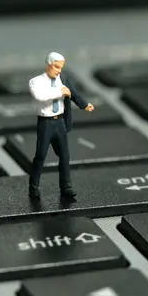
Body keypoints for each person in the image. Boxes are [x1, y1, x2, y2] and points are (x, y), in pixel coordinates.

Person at [27, 52, 94, 199]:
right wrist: (59, 91)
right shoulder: (36, 82)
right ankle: (33, 187)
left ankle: (66, 186)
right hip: (46, 124)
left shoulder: (63, 79)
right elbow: (40, 96)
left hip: (60, 123)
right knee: (41, 155)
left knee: (65, 156)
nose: (59, 70)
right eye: (56, 67)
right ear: (49, 64)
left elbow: (73, 94)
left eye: (61, 67)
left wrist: (84, 105)